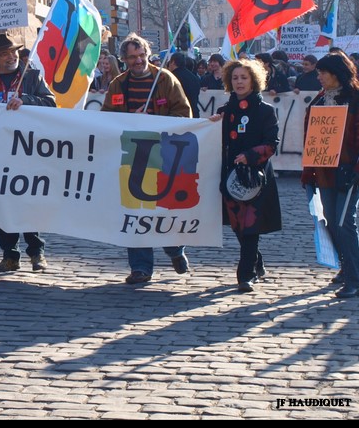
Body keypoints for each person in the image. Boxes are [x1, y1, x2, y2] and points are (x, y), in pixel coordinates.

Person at [100, 32, 192, 285]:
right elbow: (105, 118)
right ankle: (141, 268)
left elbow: (184, 113)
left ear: (148, 54)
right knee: (135, 210)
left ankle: (174, 249)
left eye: (141, 55)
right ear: (125, 59)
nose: (138, 61)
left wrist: (154, 121)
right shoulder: (117, 85)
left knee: (162, 208)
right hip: (132, 156)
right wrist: (130, 118)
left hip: (163, 155)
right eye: (132, 57)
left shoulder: (166, 80)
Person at [0, 32, 56, 272]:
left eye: (12, 52)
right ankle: (10, 254)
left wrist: (26, 101)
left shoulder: (31, 75)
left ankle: (37, 252)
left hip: (27, 148)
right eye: (3, 54)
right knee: (2, 202)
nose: (10, 57)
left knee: (27, 200)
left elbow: (51, 103)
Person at [301, 53, 359, 298]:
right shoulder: (319, 101)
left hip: (349, 171)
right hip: (324, 173)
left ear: (336, 73)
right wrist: (309, 171)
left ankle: (355, 280)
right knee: (332, 223)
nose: (319, 77)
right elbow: (311, 139)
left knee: (345, 223)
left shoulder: (357, 99)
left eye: (323, 72)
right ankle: (345, 268)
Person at [209, 59, 282, 293]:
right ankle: (256, 262)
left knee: (250, 225)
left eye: (244, 78)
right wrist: (211, 126)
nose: (239, 82)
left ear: (253, 80)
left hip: (255, 178)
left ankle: (245, 275)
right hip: (230, 176)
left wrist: (250, 156)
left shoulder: (265, 111)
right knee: (238, 226)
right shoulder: (225, 111)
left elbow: (272, 145)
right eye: (235, 78)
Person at [168, 51, 201, 118]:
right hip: (194, 113)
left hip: (178, 115)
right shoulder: (194, 78)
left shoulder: (171, 78)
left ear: (173, 62)